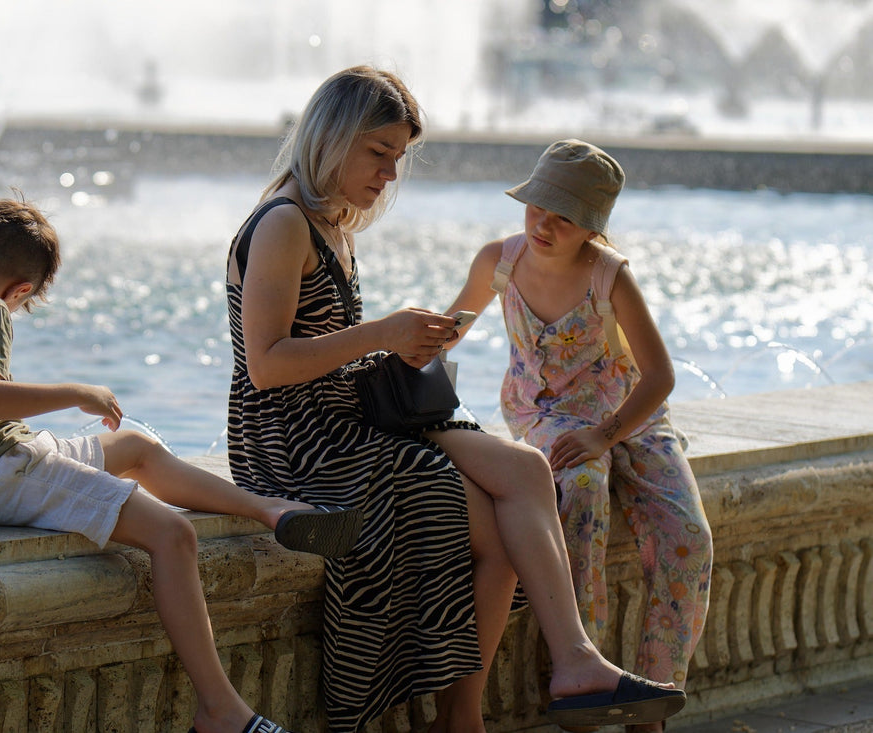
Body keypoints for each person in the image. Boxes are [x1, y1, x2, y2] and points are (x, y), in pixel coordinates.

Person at [225, 66, 686, 733]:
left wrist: (402, 346)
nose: (389, 174)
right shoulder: (283, 225)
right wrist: (383, 333)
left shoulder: (332, 224)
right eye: (378, 153)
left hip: (351, 413)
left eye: (398, 158)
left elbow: (329, 346)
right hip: (295, 441)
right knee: (481, 519)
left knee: (526, 471)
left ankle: (572, 659)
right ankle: (464, 716)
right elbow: (266, 367)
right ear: (331, 137)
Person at [0, 197, 366, 733]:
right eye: (20, 304)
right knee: (174, 535)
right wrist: (77, 392)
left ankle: (272, 510)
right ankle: (221, 710)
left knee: (133, 448)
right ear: (20, 292)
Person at [444, 139, 714, 733]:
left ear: (591, 227)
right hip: (545, 416)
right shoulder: (501, 261)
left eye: (563, 216)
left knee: (688, 537)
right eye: (537, 206)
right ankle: (584, 685)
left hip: (627, 415)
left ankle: (652, 707)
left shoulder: (608, 275)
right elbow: (450, 330)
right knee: (582, 491)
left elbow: (660, 376)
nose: (543, 223)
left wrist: (605, 433)